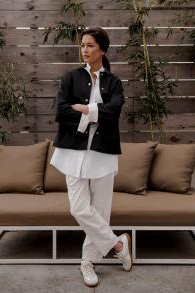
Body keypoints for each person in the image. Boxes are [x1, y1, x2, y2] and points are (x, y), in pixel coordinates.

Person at [50, 27, 132, 287]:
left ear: (102, 50)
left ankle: (88, 262)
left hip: (103, 154)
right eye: (82, 45)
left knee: (99, 211)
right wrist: (97, 114)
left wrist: (86, 109)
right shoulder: (70, 77)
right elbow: (61, 112)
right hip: (72, 153)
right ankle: (118, 244)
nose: (84, 50)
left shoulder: (114, 82)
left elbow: (114, 112)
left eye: (90, 46)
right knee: (79, 208)